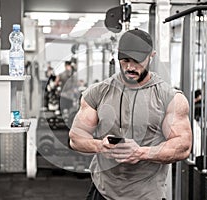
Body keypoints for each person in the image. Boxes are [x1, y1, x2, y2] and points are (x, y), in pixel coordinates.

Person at [68, 28, 192, 200]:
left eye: (137, 61)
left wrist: (141, 152)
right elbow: (75, 138)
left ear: (151, 56)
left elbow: (183, 145)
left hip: (147, 195)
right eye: (125, 60)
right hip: (103, 192)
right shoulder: (98, 93)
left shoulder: (169, 97)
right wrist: (100, 146)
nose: (131, 67)